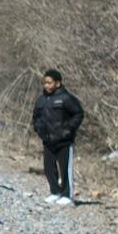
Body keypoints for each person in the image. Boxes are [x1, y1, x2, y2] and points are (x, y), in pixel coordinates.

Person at [31, 69, 84, 204]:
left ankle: (68, 195)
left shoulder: (67, 98)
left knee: (65, 168)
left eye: (49, 83)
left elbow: (78, 114)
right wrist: (38, 129)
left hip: (64, 140)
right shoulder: (41, 100)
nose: (47, 86)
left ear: (58, 83)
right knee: (49, 168)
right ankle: (55, 192)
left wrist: (68, 130)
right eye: (45, 83)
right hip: (47, 140)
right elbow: (36, 117)